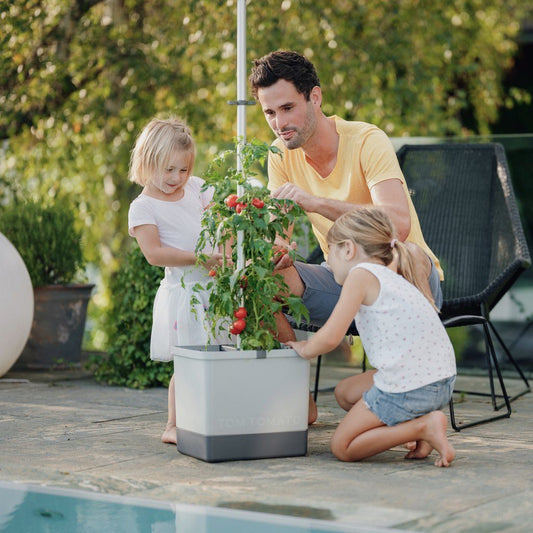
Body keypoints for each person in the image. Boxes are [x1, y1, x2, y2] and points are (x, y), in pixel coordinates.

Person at [248, 49, 443, 336]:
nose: (279, 124)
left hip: (403, 275)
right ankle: (291, 371)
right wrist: (281, 251)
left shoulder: (367, 140)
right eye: (270, 113)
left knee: (406, 252)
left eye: (287, 108)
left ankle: (417, 370)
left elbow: (398, 226)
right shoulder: (278, 155)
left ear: (315, 97)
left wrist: (316, 203)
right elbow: (281, 236)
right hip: (339, 280)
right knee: (257, 277)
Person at [287, 207, 457, 467]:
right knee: (345, 393)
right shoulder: (391, 275)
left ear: (348, 249)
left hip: (411, 386)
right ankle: (417, 426)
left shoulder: (361, 275)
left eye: (330, 252)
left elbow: (331, 337)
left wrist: (303, 348)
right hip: (440, 382)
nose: (328, 263)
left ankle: (423, 427)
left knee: (343, 447)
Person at [128, 117, 227, 444]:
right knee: (188, 361)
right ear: (147, 163)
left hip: (215, 287)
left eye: (183, 170)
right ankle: (173, 424)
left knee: (220, 354)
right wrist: (202, 258)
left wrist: (225, 255)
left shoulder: (197, 188)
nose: (177, 178)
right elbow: (155, 254)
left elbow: (222, 226)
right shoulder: (143, 207)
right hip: (185, 293)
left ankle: (211, 416)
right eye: (168, 170)